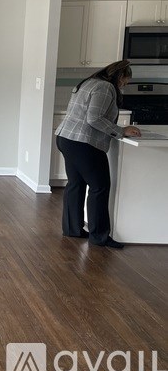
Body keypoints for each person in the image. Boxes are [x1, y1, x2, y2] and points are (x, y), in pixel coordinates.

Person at [55, 60, 141, 249]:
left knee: (76, 184)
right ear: (120, 75)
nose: (125, 84)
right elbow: (94, 118)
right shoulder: (105, 87)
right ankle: (100, 236)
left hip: (67, 138)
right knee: (100, 187)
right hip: (82, 142)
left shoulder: (89, 82)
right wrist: (120, 130)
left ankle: (73, 229)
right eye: (126, 80)